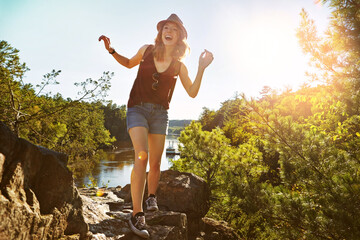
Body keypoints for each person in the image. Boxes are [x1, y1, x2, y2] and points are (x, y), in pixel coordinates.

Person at [99, 13, 213, 238]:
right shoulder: (146, 50)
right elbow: (128, 63)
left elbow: (192, 93)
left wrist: (201, 68)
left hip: (161, 114)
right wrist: (111, 50)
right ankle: (136, 213)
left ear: (180, 37)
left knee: (156, 162)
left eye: (174, 29)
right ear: (161, 33)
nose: (168, 31)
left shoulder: (179, 66)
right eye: (166, 28)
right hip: (137, 109)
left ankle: (152, 196)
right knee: (141, 155)